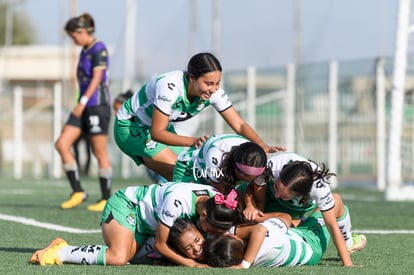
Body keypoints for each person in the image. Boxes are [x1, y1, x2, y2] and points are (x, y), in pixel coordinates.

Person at [114, 52, 285, 181]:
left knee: (195, 171)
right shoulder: (170, 86)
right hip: (131, 127)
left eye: (217, 83)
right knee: (183, 175)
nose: (213, 89)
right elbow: (157, 133)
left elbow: (239, 125)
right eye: (208, 83)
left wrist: (262, 146)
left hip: (159, 129)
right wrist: (192, 141)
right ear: (192, 78)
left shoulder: (213, 92)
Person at [29, 182, 244, 267]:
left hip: (148, 225)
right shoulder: (177, 201)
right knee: (118, 258)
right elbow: (161, 245)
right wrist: (193, 264)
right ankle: (62, 251)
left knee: (130, 258)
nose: (211, 234)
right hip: (127, 206)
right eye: (211, 230)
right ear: (203, 215)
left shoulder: (216, 202)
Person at [253, 152, 367, 267]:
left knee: (334, 200)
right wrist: (252, 209)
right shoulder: (272, 167)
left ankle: (348, 244)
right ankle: (298, 221)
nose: (277, 195)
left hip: (292, 211)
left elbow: (332, 225)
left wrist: (347, 263)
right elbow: (257, 199)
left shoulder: (319, 187)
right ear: (280, 174)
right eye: (277, 186)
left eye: (284, 196)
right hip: (267, 194)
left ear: (303, 195)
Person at [55, 13, 112, 212]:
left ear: (82, 31)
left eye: (73, 36)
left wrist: (84, 101)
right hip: (83, 106)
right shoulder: (84, 50)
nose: (73, 40)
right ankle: (78, 191)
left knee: (99, 152)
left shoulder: (99, 48)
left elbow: (97, 79)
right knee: (62, 144)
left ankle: (106, 197)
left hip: (96, 106)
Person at [204, 211, 330, 268]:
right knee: (333, 202)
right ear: (232, 237)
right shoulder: (268, 237)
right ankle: (348, 240)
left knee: (297, 223)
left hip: (292, 238)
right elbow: (285, 217)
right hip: (310, 245)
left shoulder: (238, 256)